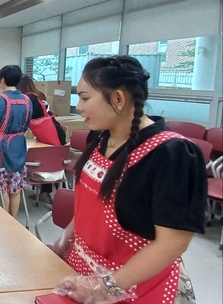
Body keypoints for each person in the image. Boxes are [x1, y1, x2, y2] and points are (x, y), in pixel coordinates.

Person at [51, 55, 206, 304]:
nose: (79, 106)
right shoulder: (101, 138)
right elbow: (87, 207)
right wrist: (63, 244)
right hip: (82, 275)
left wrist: (106, 287)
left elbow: (173, 243)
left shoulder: (171, 154)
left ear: (119, 98)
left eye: (85, 97)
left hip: (135, 287)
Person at [0, 65, 32, 219]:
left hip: (1, 146)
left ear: (2, 80)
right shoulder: (27, 100)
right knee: (15, 187)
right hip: (19, 144)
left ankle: (5, 220)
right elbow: (27, 124)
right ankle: (14, 220)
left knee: (2, 186)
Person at [17, 74, 67, 204]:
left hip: (51, 133)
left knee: (50, 161)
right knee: (54, 160)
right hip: (56, 129)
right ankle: (52, 194)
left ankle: (57, 197)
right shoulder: (38, 95)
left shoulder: (28, 98)